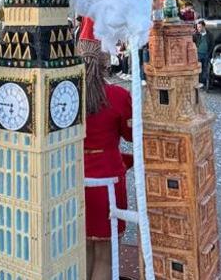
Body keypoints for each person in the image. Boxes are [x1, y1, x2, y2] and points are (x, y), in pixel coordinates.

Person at [78, 25, 132, 280]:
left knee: (83, 249)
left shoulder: (66, 93)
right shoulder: (118, 95)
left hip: (74, 178)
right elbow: (132, 136)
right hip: (108, 179)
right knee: (105, 255)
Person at [194, 21, 212, 86]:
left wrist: (209, 54)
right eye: (197, 27)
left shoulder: (209, 35)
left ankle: (203, 82)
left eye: (200, 27)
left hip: (206, 54)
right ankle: (198, 81)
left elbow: (212, 45)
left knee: (205, 68)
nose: (198, 28)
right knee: (198, 68)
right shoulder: (196, 35)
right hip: (198, 54)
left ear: (204, 26)